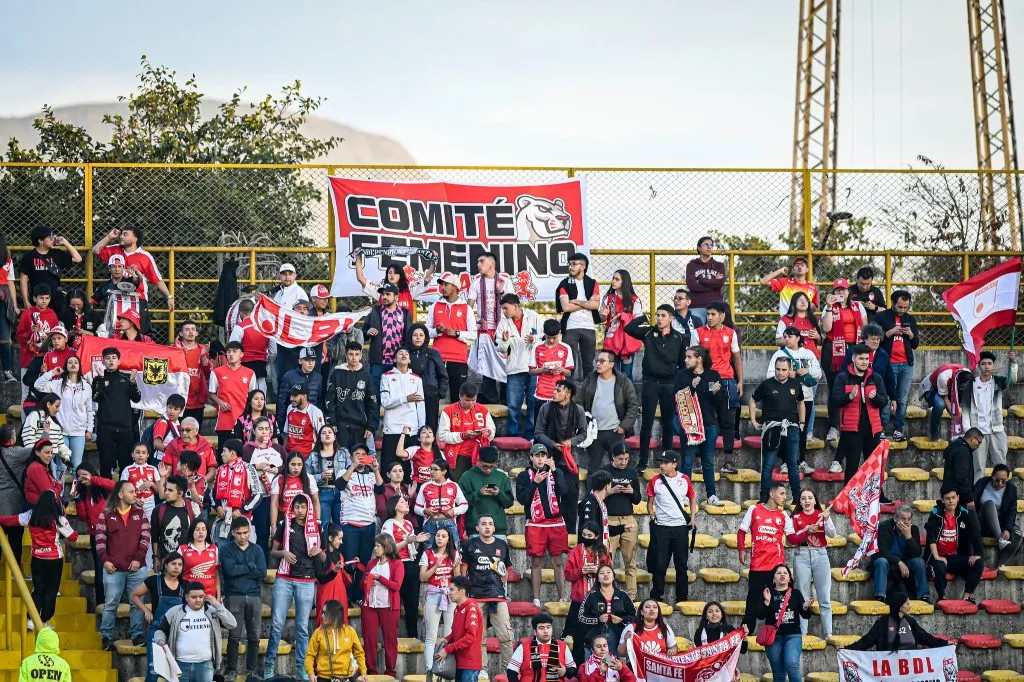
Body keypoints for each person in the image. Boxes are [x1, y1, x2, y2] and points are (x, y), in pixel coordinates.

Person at [0, 490, 77, 627]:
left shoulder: (30, 515)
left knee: (37, 589)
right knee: (51, 591)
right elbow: (73, 537)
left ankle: (31, 620)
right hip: (54, 560)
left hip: (37, 559)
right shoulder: (58, 519)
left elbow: (12, 520)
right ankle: (43, 621)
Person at [265, 493, 321, 680]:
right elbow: (273, 552)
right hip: (285, 578)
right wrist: (284, 553)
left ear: (308, 508)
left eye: (303, 507)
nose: (299, 510)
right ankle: (269, 665)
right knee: (276, 624)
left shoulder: (317, 527)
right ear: (292, 508)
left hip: (306, 580)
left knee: (303, 627)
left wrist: (319, 551)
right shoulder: (284, 525)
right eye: (296, 507)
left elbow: (325, 557)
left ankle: (302, 666)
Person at [624, 306, 684, 468]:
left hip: (669, 384)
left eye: (663, 315)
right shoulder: (648, 332)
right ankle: (643, 462)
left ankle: (667, 460)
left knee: (667, 423)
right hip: (650, 383)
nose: (659, 318)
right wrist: (642, 317)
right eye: (657, 315)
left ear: (671, 318)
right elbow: (628, 328)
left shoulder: (679, 337)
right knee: (647, 423)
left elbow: (682, 363)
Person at [96, 480, 151, 650]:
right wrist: (105, 560)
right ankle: (106, 637)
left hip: (137, 567)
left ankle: (137, 635)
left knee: (137, 603)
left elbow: (146, 537)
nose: (135, 494)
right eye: (131, 491)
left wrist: (138, 558)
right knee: (111, 603)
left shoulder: (140, 513)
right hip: (113, 569)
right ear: (120, 494)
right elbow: (99, 540)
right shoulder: (105, 514)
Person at [517, 444, 570, 607]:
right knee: (536, 562)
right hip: (535, 523)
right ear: (531, 458)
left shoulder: (557, 472)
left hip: (556, 522)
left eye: (543, 455)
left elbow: (565, 491)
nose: (540, 459)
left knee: (558, 562)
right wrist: (534, 483)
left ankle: (562, 597)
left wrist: (555, 472)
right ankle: (536, 599)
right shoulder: (524, 476)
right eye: (537, 456)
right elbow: (522, 499)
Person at [152, 581, 237, 682]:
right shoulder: (174, 612)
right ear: (186, 597)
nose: (198, 600)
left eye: (201, 597)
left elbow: (232, 624)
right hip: (179, 665)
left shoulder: (212, 612)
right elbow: (160, 631)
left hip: (205, 665)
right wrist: (160, 640)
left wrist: (216, 604)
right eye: (194, 597)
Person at [738, 482, 794, 635]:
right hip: (758, 566)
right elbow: (741, 531)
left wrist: (808, 530)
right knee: (752, 606)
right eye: (782, 493)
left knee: (776, 604)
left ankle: (775, 635)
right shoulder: (754, 509)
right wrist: (741, 549)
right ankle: (744, 638)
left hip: (777, 568)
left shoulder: (784, 515)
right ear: (772, 494)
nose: (785, 497)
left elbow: (792, 539)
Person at [461, 514, 515, 671]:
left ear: (494, 527)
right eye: (483, 524)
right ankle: (482, 670)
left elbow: (506, 573)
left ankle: (508, 671)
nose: (487, 526)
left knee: (505, 637)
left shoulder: (502, 545)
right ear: (477, 528)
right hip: (476, 597)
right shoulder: (469, 545)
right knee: (479, 638)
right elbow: (464, 572)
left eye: (490, 524)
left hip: (497, 597)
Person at [696, 301, 743, 473]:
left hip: (726, 380)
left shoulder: (731, 333)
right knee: (704, 420)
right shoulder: (698, 333)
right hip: (706, 380)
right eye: (708, 314)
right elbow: (693, 359)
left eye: (713, 314)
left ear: (722, 316)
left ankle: (728, 462)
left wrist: (741, 381)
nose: (709, 317)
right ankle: (701, 462)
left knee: (728, 422)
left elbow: (737, 358)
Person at [534, 379, 587, 532]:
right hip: (549, 458)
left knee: (571, 497)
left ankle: (570, 532)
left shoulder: (578, 410)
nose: (554, 392)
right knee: (550, 495)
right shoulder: (545, 408)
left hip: (568, 459)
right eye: (555, 389)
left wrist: (571, 441)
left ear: (568, 394)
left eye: (558, 390)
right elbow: (538, 432)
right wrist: (552, 444)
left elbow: (583, 433)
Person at [750, 357, 805, 501]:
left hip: (791, 427)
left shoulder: (796, 384)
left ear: (790, 370)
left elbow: (801, 402)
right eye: (778, 369)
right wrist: (753, 420)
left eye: (784, 370)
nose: (780, 373)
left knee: (793, 464)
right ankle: (764, 498)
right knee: (768, 465)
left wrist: (802, 422)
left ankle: (796, 498)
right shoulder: (767, 384)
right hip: (772, 427)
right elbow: (752, 399)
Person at [830, 344, 887, 481]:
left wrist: (875, 398)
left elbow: (883, 401)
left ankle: (876, 499)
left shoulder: (876, 377)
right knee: (852, 467)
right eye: (861, 358)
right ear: (854, 358)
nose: (864, 362)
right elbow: (835, 400)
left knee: (873, 467)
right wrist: (848, 397)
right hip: (852, 429)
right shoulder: (843, 377)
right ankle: (849, 499)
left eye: (867, 359)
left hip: (872, 429)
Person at [646, 451, 697, 603]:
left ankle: (682, 598)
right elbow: (650, 502)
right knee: (660, 565)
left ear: (674, 464)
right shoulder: (655, 480)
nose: (662, 465)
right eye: (660, 462)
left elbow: (693, 498)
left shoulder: (684, 479)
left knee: (681, 565)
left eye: (665, 463)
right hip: (662, 528)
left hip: (680, 528)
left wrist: (692, 518)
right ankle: (656, 596)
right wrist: (652, 515)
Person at [769, 327, 821, 474]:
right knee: (786, 429)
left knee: (802, 431)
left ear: (798, 338)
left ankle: (802, 461)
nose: (786, 339)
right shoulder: (779, 354)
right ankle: (785, 462)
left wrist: (807, 371)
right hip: (786, 397)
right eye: (785, 336)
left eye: (790, 336)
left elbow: (819, 373)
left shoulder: (808, 353)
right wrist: (786, 375)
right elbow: (770, 374)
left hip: (806, 397)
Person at [959, 350, 1019, 480]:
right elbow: (965, 411)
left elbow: (1012, 379)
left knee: (1001, 466)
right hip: (977, 432)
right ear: (979, 366)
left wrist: (1013, 363)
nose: (986, 366)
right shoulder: (971, 385)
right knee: (978, 468)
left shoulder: (998, 382)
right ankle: (977, 497)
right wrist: (969, 432)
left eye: (989, 363)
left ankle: (1001, 495)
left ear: (994, 366)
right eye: (983, 363)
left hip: (997, 430)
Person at [219, 516, 267, 677]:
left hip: (254, 596)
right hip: (234, 596)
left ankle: (251, 671)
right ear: (233, 532)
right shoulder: (226, 549)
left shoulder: (257, 549)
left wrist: (240, 569)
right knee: (234, 636)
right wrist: (249, 566)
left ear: (250, 531)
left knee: (254, 637)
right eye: (239, 533)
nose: (242, 536)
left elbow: (262, 572)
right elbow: (230, 571)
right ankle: (232, 670)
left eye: (245, 533)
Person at [676, 346, 726, 498]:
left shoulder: (713, 375)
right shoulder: (682, 375)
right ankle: (684, 496)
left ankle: (711, 495)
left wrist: (717, 393)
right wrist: (691, 388)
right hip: (690, 426)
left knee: (708, 462)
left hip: (709, 424)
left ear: (699, 359)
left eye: (689, 357)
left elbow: (720, 402)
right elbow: (676, 397)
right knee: (687, 462)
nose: (686, 360)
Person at [578, 348, 640, 472]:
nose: (598, 364)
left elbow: (633, 406)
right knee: (593, 469)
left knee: (619, 468)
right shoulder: (590, 379)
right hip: (594, 432)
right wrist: (585, 422)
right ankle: (593, 492)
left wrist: (623, 426)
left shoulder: (623, 381)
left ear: (611, 364)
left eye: (602, 361)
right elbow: (578, 402)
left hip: (615, 431)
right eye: (597, 360)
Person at [820, 279, 867, 441]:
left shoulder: (858, 306)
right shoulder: (829, 307)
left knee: (855, 387)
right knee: (835, 389)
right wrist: (828, 306)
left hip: (854, 349)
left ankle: (852, 423)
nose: (840, 293)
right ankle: (833, 426)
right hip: (833, 351)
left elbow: (864, 328)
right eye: (837, 290)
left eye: (843, 290)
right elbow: (826, 329)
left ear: (849, 292)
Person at [131, 552, 186, 682]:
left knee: (176, 670)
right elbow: (134, 595)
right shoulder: (154, 581)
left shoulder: (186, 585)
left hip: (178, 633)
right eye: (173, 564)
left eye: (180, 564)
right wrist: (146, 610)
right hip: (156, 631)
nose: (177, 567)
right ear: (165, 565)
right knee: (154, 669)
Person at [788, 488, 835, 638]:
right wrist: (806, 531)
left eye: (810, 498)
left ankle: (828, 632)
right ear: (799, 502)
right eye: (803, 498)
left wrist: (827, 519)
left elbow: (832, 534)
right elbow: (790, 540)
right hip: (801, 554)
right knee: (803, 595)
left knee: (824, 596)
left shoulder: (822, 515)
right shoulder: (795, 517)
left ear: (815, 500)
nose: (807, 501)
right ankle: (803, 632)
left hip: (820, 554)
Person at [32, 355, 93, 470]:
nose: (73, 364)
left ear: (80, 366)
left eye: (76, 362)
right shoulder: (58, 383)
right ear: (66, 366)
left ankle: (76, 489)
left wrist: (89, 429)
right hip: (61, 431)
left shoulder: (86, 387)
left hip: (79, 431)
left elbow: (90, 410)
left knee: (77, 465)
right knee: (61, 467)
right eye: (70, 362)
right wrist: (52, 373)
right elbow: (38, 385)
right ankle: (60, 488)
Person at [468, 252, 514, 403]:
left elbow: (513, 305)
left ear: (492, 263)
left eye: (481, 261)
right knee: (486, 366)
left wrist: (501, 293)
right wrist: (478, 320)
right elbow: (468, 310)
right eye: (478, 262)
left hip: (504, 330)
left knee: (506, 364)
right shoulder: (475, 283)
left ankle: (506, 398)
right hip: (485, 330)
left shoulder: (505, 281)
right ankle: (490, 397)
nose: (478, 265)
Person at [563, 522, 612, 663]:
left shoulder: (603, 553)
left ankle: (603, 670)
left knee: (601, 638)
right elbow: (567, 575)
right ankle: (580, 671)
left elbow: (609, 574)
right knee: (577, 639)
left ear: (596, 536)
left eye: (589, 535)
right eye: (583, 535)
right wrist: (581, 570)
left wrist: (600, 572)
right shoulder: (575, 552)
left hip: (598, 602)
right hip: (579, 602)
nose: (586, 537)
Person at [598, 442, 641, 599]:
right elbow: (596, 496)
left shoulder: (631, 473)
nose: (623, 462)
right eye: (620, 459)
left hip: (628, 519)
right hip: (610, 519)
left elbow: (637, 499)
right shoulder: (604, 472)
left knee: (630, 561)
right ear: (613, 458)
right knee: (607, 561)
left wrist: (631, 491)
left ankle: (632, 596)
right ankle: (606, 594)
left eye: (626, 459)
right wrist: (610, 492)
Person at [925, 488, 984, 602]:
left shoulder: (964, 513)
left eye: (953, 498)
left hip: (956, 557)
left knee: (978, 563)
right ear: (942, 500)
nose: (951, 501)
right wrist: (937, 556)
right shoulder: (936, 513)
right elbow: (931, 536)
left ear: (958, 498)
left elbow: (975, 533)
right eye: (947, 499)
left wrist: (978, 553)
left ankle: (966, 597)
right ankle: (942, 598)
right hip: (938, 556)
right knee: (939, 566)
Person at [383, 495, 430, 638]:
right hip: (396, 564)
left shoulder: (409, 524)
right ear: (395, 506)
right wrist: (407, 541)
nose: (406, 503)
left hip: (410, 563)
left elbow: (412, 548)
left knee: (412, 602)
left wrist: (417, 541)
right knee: (393, 602)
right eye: (402, 502)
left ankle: (413, 635)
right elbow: (387, 548)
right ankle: (390, 636)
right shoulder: (388, 524)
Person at [877, 290, 920, 442]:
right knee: (885, 398)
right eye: (900, 307)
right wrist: (890, 332)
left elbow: (915, 344)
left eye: (905, 307)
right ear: (893, 303)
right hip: (887, 364)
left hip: (906, 365)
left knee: (902, 399)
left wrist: (910, 335)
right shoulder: (882, 317)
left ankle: (898, 430)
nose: (902, 310)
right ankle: (880, 429)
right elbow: (874, 339)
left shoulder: (910, 319)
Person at [426, 272, 477, 399]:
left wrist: (457, 333)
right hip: (437, 358)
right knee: (434, 397)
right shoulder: (435, 306)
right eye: (442, 285)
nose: (442, 287)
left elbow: (474, 335)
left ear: (455, 287)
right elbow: (426, 331)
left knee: (457, 397)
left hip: (458, 360)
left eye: (446, 285)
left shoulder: (467, 308)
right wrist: (436, 331)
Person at [757, 564, 811, 682]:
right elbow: (761, 616)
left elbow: (806, 615)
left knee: (791, 664)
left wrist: (806, 607)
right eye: (779, 573)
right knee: (779, 674)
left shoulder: (796, 594)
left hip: (793, 636)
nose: (782, 575)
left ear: (789, 578)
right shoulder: (768, 592)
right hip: (773, 638)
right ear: (773, 578)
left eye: (785, 573)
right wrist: (767, 601)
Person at [497, 293, 540, 439]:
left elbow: (545, 337)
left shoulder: (533, 316)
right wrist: (504, 341)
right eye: (502, 309)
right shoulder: (503, 323)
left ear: (516, 306)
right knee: (513, 405)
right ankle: (513, 434)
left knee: (532, 403)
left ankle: (530, 434)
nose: (504, 311)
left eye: (506, 308)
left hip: (534, 368)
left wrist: (534, 339)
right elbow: (501, 349)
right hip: (514, 368)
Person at [845, 592, 948, 652]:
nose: (910, 607)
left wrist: (945, 643)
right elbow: (866, 641)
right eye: (907, 604)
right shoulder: (882, 623)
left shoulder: (910, 621)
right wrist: (846, 649)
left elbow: (925, 638)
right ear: (899, 606)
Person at [243, 417, 285, 560]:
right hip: (259, 497)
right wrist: (255, 467)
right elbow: (241, 469)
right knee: (262, 533)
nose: (264, 432)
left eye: (267, 428)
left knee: (281, 533)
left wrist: (277, 469)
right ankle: (263, 566)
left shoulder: (278, 448)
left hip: (278, 497)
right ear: (254, 431)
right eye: (260, 429)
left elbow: (288, 466)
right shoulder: (248, 449)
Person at [325, 340, 380, 452]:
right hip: (341, 425)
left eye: (357, 354)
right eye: (350, 354)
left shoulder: (366, 375)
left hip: (360, 425)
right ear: (345, 355)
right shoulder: (336, 373)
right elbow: (330, 399)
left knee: (359, 459)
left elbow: (372, 402)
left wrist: (370, 426)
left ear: (361, 356)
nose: (354, 357)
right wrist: (332, 422)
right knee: (342, 456)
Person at [363, 533, 404, 678]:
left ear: (386, 546)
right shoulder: (372, 563)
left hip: (388, 607)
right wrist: (367, 581)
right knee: (369, 639)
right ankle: (371, 671)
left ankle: (390, 672)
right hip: (370, 605)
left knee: (390, 640)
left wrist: (379, 578)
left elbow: (396, 586)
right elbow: (365, 581)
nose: (376, 548)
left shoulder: (397, 564)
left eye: (378, 546)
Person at [437, 382, 497, 480]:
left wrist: (488, 433)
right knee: (457, 483)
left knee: (478, 482)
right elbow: (442, 436)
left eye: (473, 400)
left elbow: (492, 429)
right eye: (467, 400)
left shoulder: (483, 409)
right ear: (460, 396)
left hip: (479, 454)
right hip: (459, 455)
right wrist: (463, 435)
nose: (470, 403)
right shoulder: (448, 411)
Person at [73, 463, 114, 604]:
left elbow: (115, 486)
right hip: (95, 535)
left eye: (84, 474)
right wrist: (78, 500)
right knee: (99, 571)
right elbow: (83, 517)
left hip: (113, 533)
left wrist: (94, 480)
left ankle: (115, 601)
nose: (82, 478)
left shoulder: (102, 487)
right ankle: (101, 603)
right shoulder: (83, 493)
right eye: (79, 476)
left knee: (115, 569)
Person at [19, 224, 82, 314]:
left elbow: (78, 259)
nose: (54, 239)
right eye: (50, 237)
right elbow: (23, 280)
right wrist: (26, 301)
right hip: (38, 300)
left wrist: (65, 242)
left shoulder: (57, 253)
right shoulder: (29, 257)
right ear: (41, 241)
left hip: (56, 299)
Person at [556, 251, 601, 380]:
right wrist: (587, 303)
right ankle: (569, 396)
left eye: (574, 264)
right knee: (570, 366)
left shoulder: (593, 283)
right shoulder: (564, 284)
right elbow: (565, 307)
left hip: (589, 327)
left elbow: (595, 306)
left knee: (588, 366)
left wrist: (577, 302)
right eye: (569, 264)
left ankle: (588, 396)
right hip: (570, 328)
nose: (570, 267)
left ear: (583, 266)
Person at [380, 347, 425, 472]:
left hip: (412, 428)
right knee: (390, 466)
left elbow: (420, 406)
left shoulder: (417, 378)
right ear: (394, 359)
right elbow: (385, 402)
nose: (404, 355)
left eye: (406, 353)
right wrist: (405, 398)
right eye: (400, 353)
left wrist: (421, 427)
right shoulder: (386, 377)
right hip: (392, 428)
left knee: (409, 468)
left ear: (410, 360)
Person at [421, 525, 460, 668]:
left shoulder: (454, 554)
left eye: (443, 536)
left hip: (450, 595)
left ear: (449, 538)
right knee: (431, 635)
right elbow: (423, 577)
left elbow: (458, 579)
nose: (440, 538)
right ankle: (430, 669)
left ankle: (445, 668)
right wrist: (435, 567)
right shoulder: (428, 553)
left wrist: (456, 567)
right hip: (434, 594)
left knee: (449, 634)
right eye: (437, 535)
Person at [872, 505, 930, 601]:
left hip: (906, 562)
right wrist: (899, 562)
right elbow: (881, 551)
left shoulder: (913, 529)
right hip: (889, 562)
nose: (907, 522)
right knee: (881, 561)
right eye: (903, 519)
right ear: (895, 519)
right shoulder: (883, 527)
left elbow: (916, 553)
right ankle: (880, 596)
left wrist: (909, 537)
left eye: (909, 519)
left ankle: (924, 595)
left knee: (919, 562)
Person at [362, 281, 412, 390]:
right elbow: (363, 334)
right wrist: (367, 331)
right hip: (378, 362)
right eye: (383, 294)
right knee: (376, 394)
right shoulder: (374, 311)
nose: (384, 297)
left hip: (397, 362)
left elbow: (409, 337)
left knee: (398, 393)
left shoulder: (405, 313)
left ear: (396, 296)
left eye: (388, 294)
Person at [458, 445, 515, 540]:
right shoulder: (467, 476)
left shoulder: (501, 477)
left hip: (498, 529)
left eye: (491, 467)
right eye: (485, 466)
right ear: (478, 461)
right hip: (475, 529)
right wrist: (478, 494)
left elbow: (509, 503)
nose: (488, 469)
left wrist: (499, 494)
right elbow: (460, 504)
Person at [435, 575, 484, 682]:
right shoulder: (457, 609)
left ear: (462, 591)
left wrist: (447, 649)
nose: (449, 592)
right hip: (459, 662)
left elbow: (470, 637)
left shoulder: (471, 608)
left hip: (470, 664)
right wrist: (446, 639)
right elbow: (456, 633)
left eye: (452, 589)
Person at [209, 341, 258, 448]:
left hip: (244, 420)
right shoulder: (217, 372)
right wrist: (220, 402)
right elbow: (211, 393)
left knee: (245, 454)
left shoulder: (250, 373)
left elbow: (254, 396)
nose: (231, 354)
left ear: (241, 354)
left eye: (235, 351)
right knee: (225, 453)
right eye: (229, 351)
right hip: (224, 420)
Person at [305, 599, 368, 682]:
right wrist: (311, 673)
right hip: (324, 677)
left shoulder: (350, 631)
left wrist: (363, 672)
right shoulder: (318, 632)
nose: (322, 616)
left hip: (347, 677)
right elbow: (309, 655)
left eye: (325, 613)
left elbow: (359, 654)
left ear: (335, 614)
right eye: (322, 613)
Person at [580, 564, 636, 656]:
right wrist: (598, 619)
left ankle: (610, 667)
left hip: (616, 634)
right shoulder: (591, 596)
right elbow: (581, 617)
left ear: (613, 577)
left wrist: (621, 620)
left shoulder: (623, 595)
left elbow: (634, 617)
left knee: (612, 664)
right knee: (593, 666)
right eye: (602, 573)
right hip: (595, 634)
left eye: (608, 572)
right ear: (598, 579)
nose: (605, 575)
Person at [212, 439, 262, 542]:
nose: (221, 454)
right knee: (223, 556)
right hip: (223, 522)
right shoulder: (220, 469)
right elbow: (212, 492)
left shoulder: (249, 468)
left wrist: (241, 510)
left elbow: (258, 494)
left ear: (233, 453)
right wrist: (218, 507)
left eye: (224, 451)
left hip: (243, 521)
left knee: (245, 556)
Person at [355, 251, 435, 312]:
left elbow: (427, 278)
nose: (392, 275)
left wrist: (433, 261)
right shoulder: (381, 289)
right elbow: (360, 278)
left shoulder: (409, 289)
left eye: (396, 273)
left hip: (405, 332)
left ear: (400, 275)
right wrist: (358, 258)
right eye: (390, 273)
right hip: (386, 331)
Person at [508, 613, 578, 682]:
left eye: (548, 627)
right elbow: (511, 671)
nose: (546, 631)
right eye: (541, 628)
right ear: (535, 631)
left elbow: (573, 670)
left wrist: (565, 672)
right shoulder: (523, 647)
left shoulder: (562, 646)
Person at [414, 458, 468, 548]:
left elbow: (464, 505)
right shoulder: (425, 486)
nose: (431, 472)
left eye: (435, 469)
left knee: (454, 551)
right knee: (429, 552)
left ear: (444, 471)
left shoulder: (453, 485)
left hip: (449, 523)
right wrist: (425, 511)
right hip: (430, 523)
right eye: (430, 469)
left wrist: (454, 511)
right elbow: (416, 508)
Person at [599, 269, 643, 377]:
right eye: (613, 278)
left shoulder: (634, 300)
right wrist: (604, 315)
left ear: (625, 281)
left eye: (617, 279)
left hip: (628, 340)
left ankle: (628, 394)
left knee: (627, 373)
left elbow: (639, 320)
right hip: (612, 339)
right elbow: (602, 319)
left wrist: (623, 316)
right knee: (613, 373)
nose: (613, 281)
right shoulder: (608, 298)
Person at [975, 464, 1023, 562]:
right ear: (992, 476)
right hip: (982, 523)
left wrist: (1008, 529)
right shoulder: (982, 483)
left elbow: (1011, 511)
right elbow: (971, 502)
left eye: (1004, 481)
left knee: (1018, 534)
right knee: (989, 504)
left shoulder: (1011, 489)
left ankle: (1000, 565)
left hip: (1000, 524)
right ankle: (1000, 539)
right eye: (997, 480)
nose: (1000, 483)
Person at [407, 322, 449, 430]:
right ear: (410, 336)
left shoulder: (433, 353)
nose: (418, 338)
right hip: (411, 397)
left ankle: (431, 447)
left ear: (425, 337)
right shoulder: (404, 353)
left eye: (421, 335)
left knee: (430, 426)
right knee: (413, 427)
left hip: (431, 396)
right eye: (415, 335)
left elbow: (443, 375)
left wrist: (440, 394)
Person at [16, 285, 60, 383]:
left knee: (45, 387)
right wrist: (30, 332)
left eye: (47, 298)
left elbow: (57, 336)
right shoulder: (27, 314)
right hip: (29, 357)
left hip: (46, 358)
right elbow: (19, 337)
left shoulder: (52, 314)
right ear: (34, 298)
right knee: (26, 389)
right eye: (41, 298)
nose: (44, 301)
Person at [530, 318, 575, 414]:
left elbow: (569, 373)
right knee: (539, 426)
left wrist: (561, 369)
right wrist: (542, 370)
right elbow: (531, 371)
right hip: (541, 394)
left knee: (558, 426)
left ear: (559, 333)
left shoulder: (566, 348)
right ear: (544, 333)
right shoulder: (537, 347)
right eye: (548, 337)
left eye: (554, 337)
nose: (551, 340)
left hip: (559, 396)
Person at [269, 452, 322, 533]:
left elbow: (316, 501)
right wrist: (273, 526)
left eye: (299, 464)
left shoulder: (309, 478)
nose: (296, 468)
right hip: (284, 520)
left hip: (305, 521)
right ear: (287, 464)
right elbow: (274, 504)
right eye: (293, 464)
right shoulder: (279, 479)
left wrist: (317, 521)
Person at [0, 425, 30, 564]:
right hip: (13, 505)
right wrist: (46, 433)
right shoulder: (17, 453)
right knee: (15, 539)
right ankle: (15, 570)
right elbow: (38, 450)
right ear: (12, 439)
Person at [150, 475, 195, 566]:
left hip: (187, 561)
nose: (166, 493)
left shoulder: (192, 510)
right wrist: (155, 558)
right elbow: (154, 536)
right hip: (164, 561)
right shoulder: (158, 510)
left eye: (170, 490)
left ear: (180, 493)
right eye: (166, 489)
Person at [306, 424, 346, 526]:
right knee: (324, 525)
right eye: (323, 433)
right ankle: (324, 542)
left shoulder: (344, 453)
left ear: (334, 436)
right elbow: (307, 477)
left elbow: (351, 471)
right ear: (319, 438)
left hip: (342, 493)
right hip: (323, 492)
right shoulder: (313, 455)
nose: (327, 434)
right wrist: (321, 476)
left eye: (330, 432)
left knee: (341, 525)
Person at [919, 363, 970, 443]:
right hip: (931, 388)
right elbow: (946, 399)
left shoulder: (967, 374)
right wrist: (955, 420)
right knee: (940, 404)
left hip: (949, 388)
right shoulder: (944, 377)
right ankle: (934, 435)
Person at [277, 346, 324, 431]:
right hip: (293, 420)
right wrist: (281, 426)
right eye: (307, 360)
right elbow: (281, 403)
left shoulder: (318, 378)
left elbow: (320, 401)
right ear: (300, 361)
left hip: (312, 420)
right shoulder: (289, 376)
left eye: (313, 360)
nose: (311, 363)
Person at [172, 321, 211, 424]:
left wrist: (203, 357)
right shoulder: (174, 348)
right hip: (179, 398)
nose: (191, 332)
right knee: (179, 433)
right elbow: (170, 372)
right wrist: (179, 353)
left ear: (197, 333)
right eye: (187, 329)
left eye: (193, 329)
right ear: (181, 334)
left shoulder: (202, 349)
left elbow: (208, 374)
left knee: (195, 432)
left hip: (197, 400)